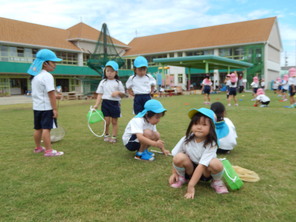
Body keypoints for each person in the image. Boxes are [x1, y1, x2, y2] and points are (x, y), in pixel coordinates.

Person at [169, 108, 228, 199]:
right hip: (190, 170)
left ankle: (216, 182)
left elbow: (202, 165)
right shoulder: (186, 139)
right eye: (196, 123)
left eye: (204, 124)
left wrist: (191, 186)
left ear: (211, 127)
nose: (199, 127)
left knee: (216, 164)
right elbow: (175, 156)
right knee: (179, 157)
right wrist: (174, 173)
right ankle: (182, 178)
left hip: (205, 172)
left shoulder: (212, 143)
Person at [27, 49, 64, 157]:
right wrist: (55, 109)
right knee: (46, 129)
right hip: (46, 108)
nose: (55, 65)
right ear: (45, 64)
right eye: (53, 62)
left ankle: (38, 147)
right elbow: (51, 94)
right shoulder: (47, 76)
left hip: (37, 108)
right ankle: (49, 151)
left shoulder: (35, 76)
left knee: (38, 128)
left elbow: (42, 93)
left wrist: (55, 96)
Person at [94, 61, 126, 143]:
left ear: (116, 72)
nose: (109, 73)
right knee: (106, 121)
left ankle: (114, 136)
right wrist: (96, 105)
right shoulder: (103, 82)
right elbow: (100, 94)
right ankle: (106, 135)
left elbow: (123, 94)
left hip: (115, 104)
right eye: (108, 70)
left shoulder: (118, 82)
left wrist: (118, 93)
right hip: (105, 103)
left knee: (114, 121)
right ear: (105, 71)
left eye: (112, 71)